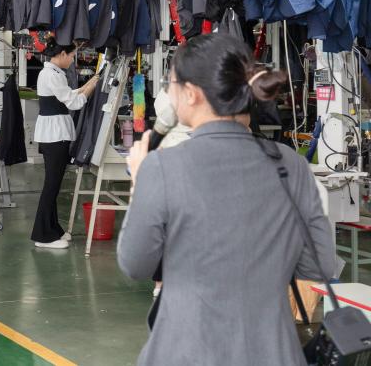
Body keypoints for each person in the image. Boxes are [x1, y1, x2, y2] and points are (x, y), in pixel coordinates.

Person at [119, 34, 340, 366]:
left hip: (186, 352)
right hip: (272, 352)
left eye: (171, 84)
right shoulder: (289, 165)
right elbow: (319, 264)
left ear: (191, 94)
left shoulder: (163, 166)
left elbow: (135, 264)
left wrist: (140, 183)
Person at [31, 39, 99, 250]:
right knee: (51, 185)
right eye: (70, 55)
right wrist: (91, 88)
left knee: (54, 184)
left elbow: (68, 94)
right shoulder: (52, 75)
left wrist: (87, 85)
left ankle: (53, 229)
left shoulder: (52, 73)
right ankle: (43, 236)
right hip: (55, 135)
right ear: (61, 54)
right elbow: (74, 103)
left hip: (54, 133)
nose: (72, 59)